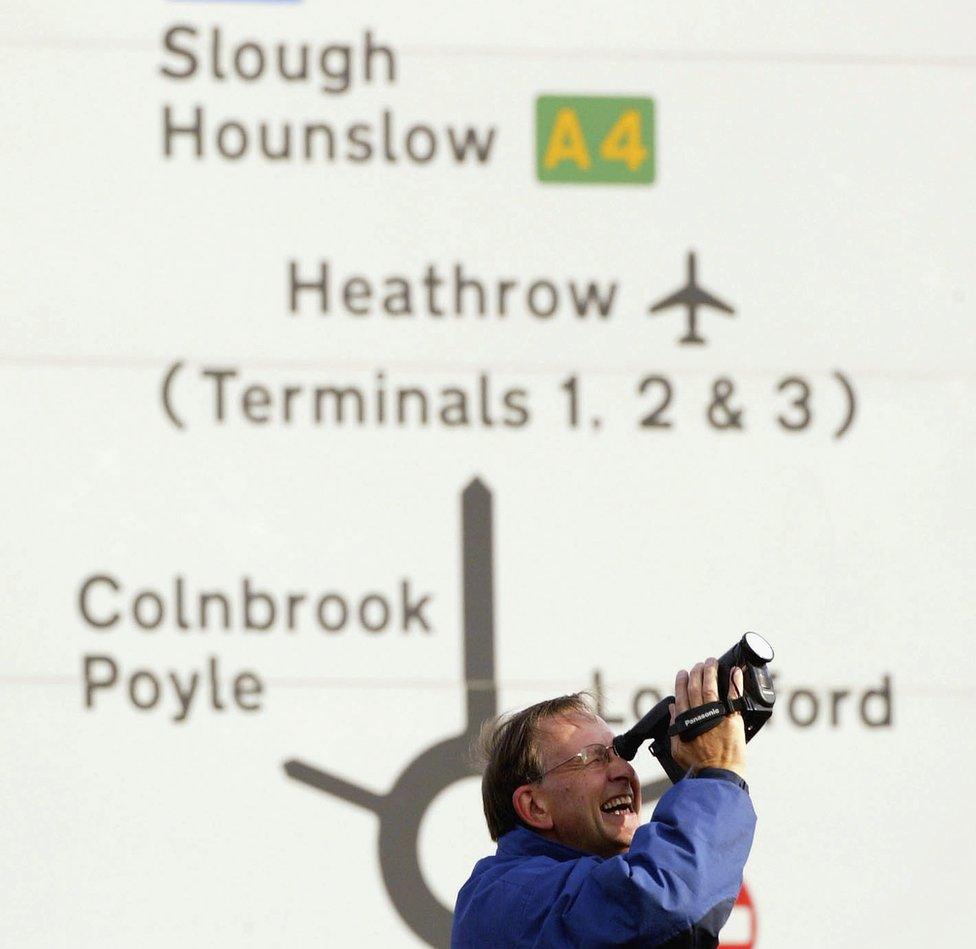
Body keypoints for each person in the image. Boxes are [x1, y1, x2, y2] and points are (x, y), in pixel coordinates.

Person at [451, 658, 756, 947]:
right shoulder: (505, 901)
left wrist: (702, 778)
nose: (624, 770)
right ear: (535, 806)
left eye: (619, 753)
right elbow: (665, 903)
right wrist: (715, 773)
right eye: (594, 758)